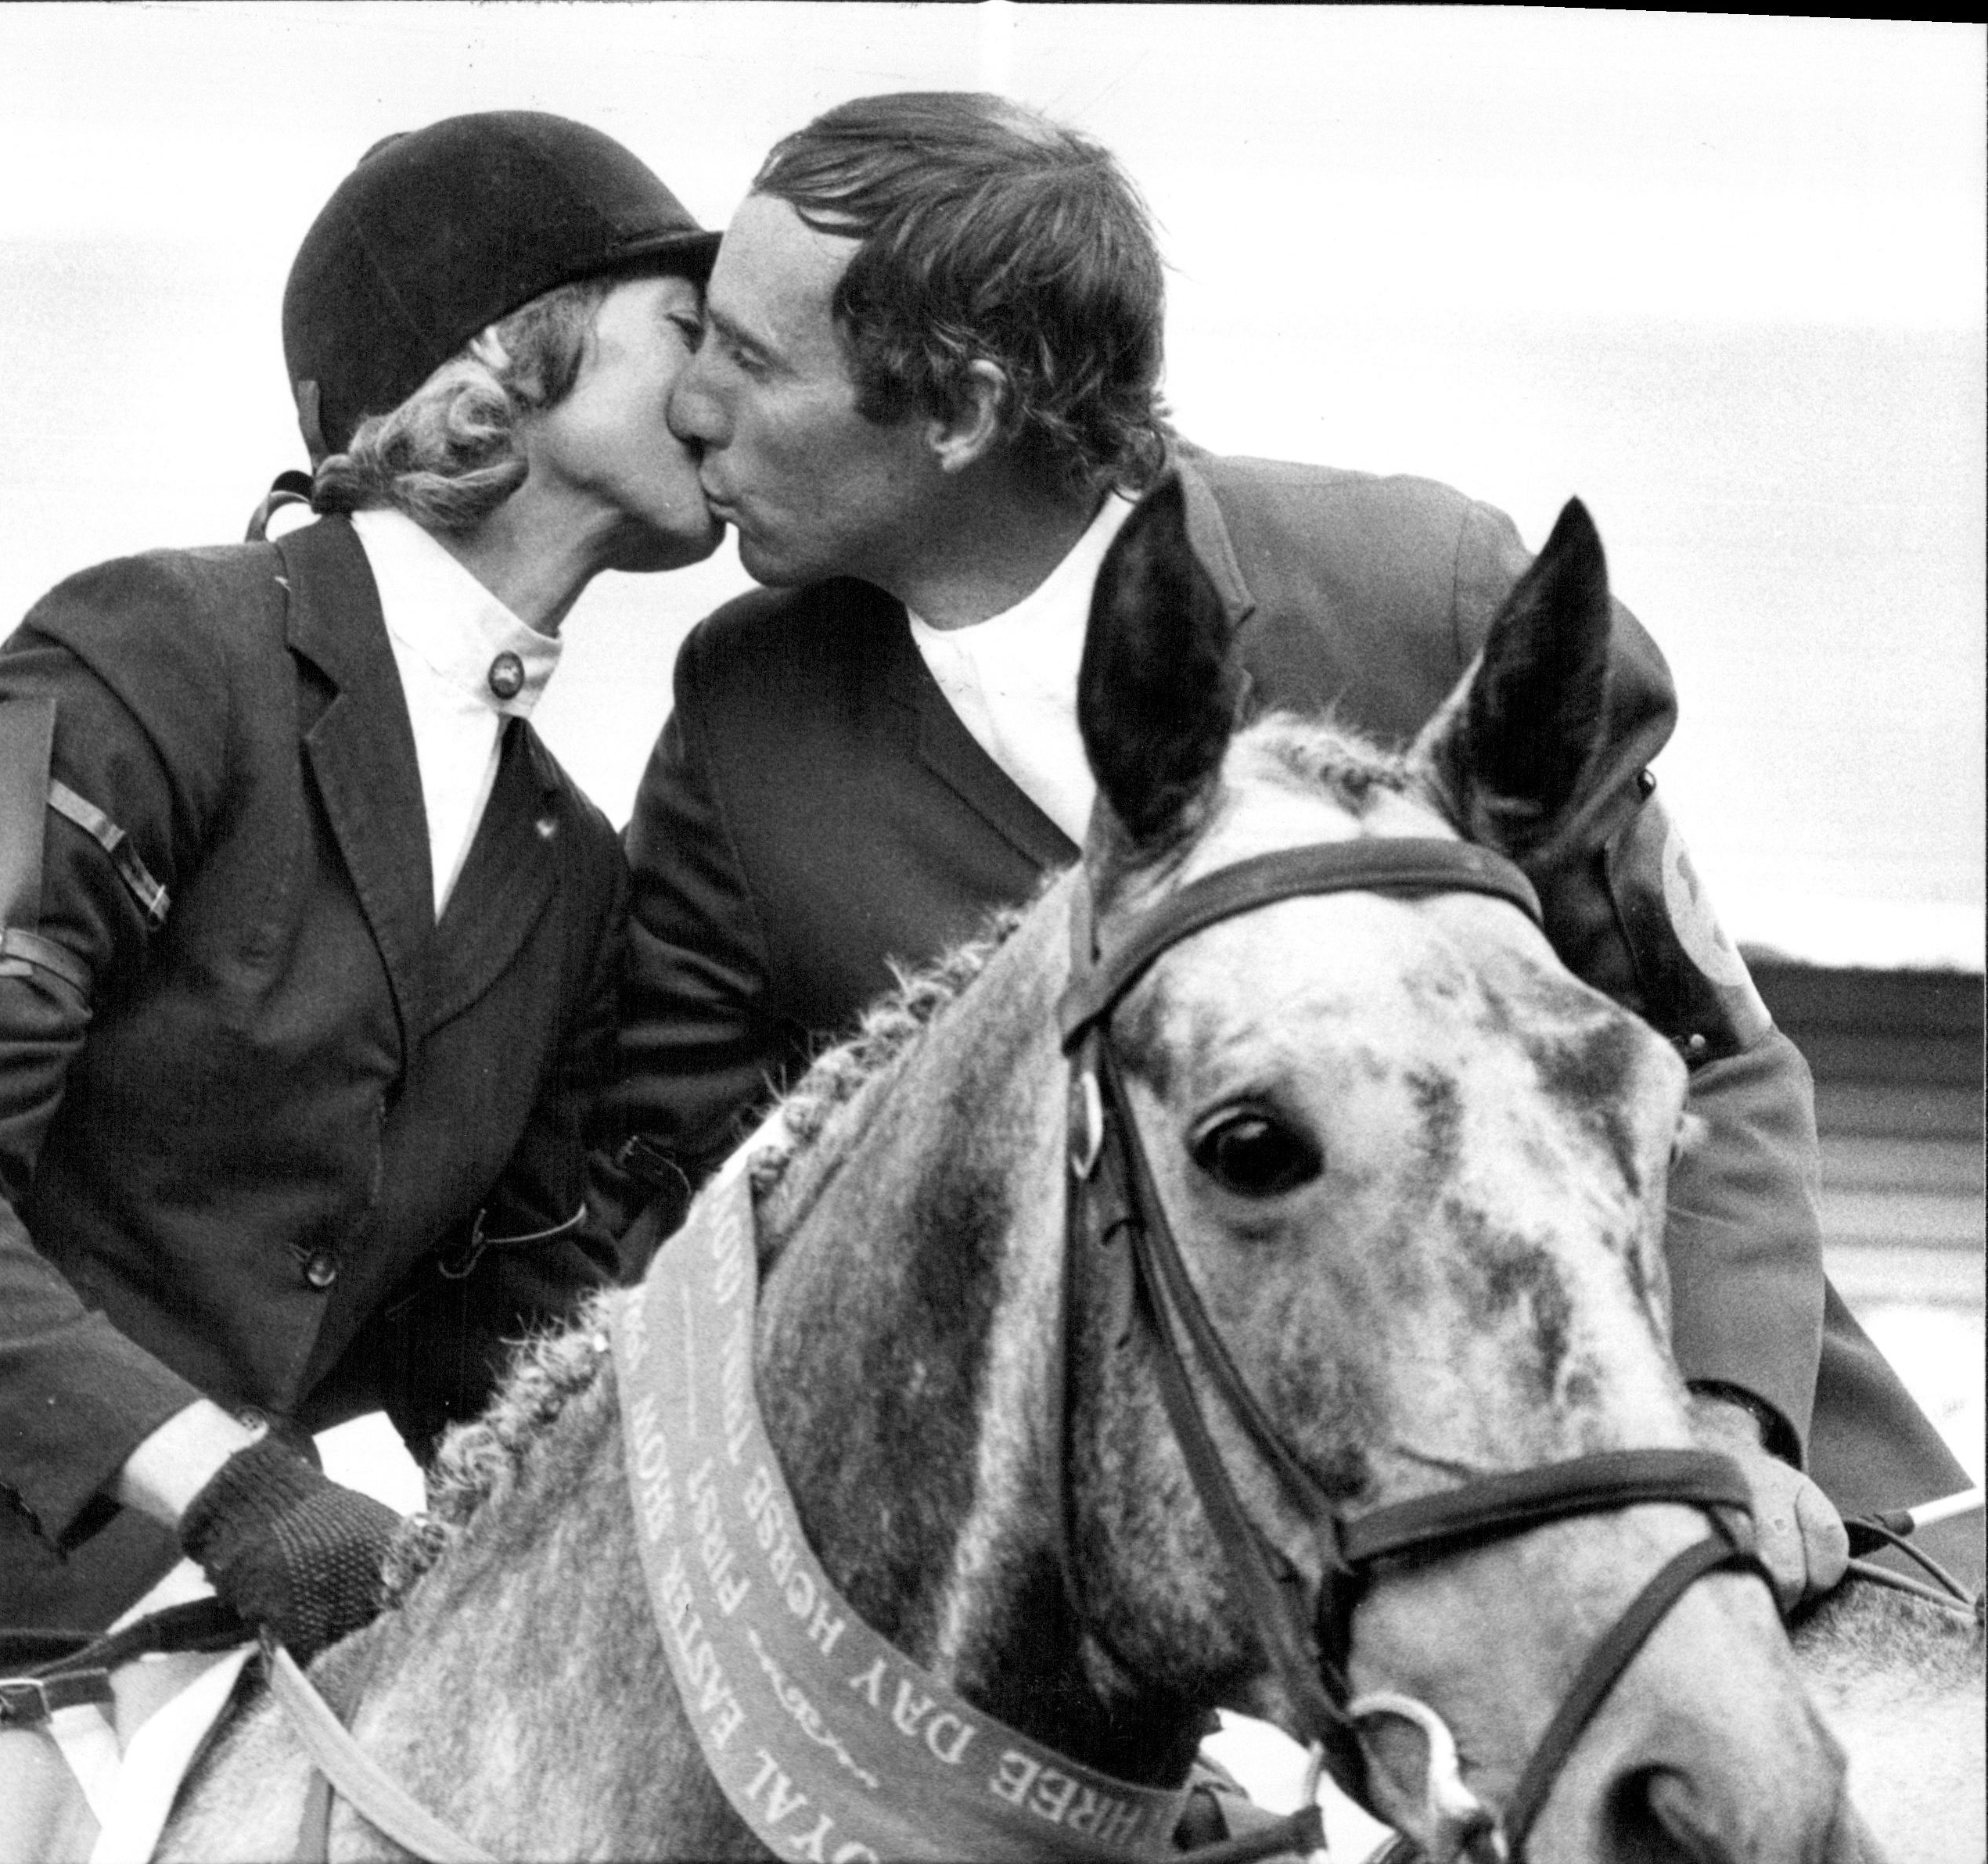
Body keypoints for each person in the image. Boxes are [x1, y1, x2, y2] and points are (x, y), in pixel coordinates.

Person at [593, 92, 1976, 1613]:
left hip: (1664, 1504)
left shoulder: (1427, 600)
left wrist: (1715, 1421)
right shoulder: (741, 715)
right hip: (1108, 1637)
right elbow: (684, 1207)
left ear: (962, 408)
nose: (690, 405)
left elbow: (1706, 1056)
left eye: (746, 355)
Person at [0, 111, 721, 1864]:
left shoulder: (574, 865)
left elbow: (495, 1348)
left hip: (163, 1681)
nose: (723, 389)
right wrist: (236, 1488)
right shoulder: (155, 645)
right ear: (500, 358)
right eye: (684, 327)